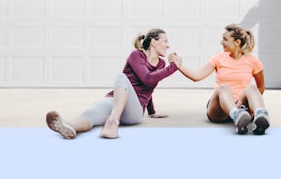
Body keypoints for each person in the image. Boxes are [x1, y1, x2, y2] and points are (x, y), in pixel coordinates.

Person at [45, 29, 181, 139]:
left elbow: (148, 84)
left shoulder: (161, 64)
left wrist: (151, 111)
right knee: (91, 114)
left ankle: (112, 121)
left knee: (121, 77)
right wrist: (173, 67)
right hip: (115, 100)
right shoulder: (136, 55)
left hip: (134, 110)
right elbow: (146, 79)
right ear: (153, 42)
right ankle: (68, 126)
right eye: (165, 41)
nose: (168, 45)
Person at [177, 23, 271, 135]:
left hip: (242, 107)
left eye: (225, 39)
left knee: (251, 88)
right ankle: (236, 114)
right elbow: (197, 76)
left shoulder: (253, 61)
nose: (221, 42)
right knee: (224, 88)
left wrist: (247, 105)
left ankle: (260, 115)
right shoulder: (218, 58)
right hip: (219, 108)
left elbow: (260, 87)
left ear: (237, 43)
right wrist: (179, 66)